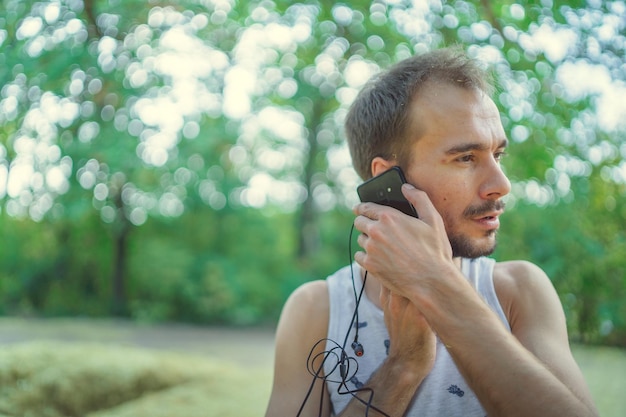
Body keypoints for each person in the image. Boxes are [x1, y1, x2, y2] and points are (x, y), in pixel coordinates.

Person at [265, 47, 598, 416]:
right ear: (387, 181)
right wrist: (403, 368)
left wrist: (437, 285)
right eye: (465, 158)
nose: (501, 184)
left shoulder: (518, 292)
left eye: (498, 155)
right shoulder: (317, 310)